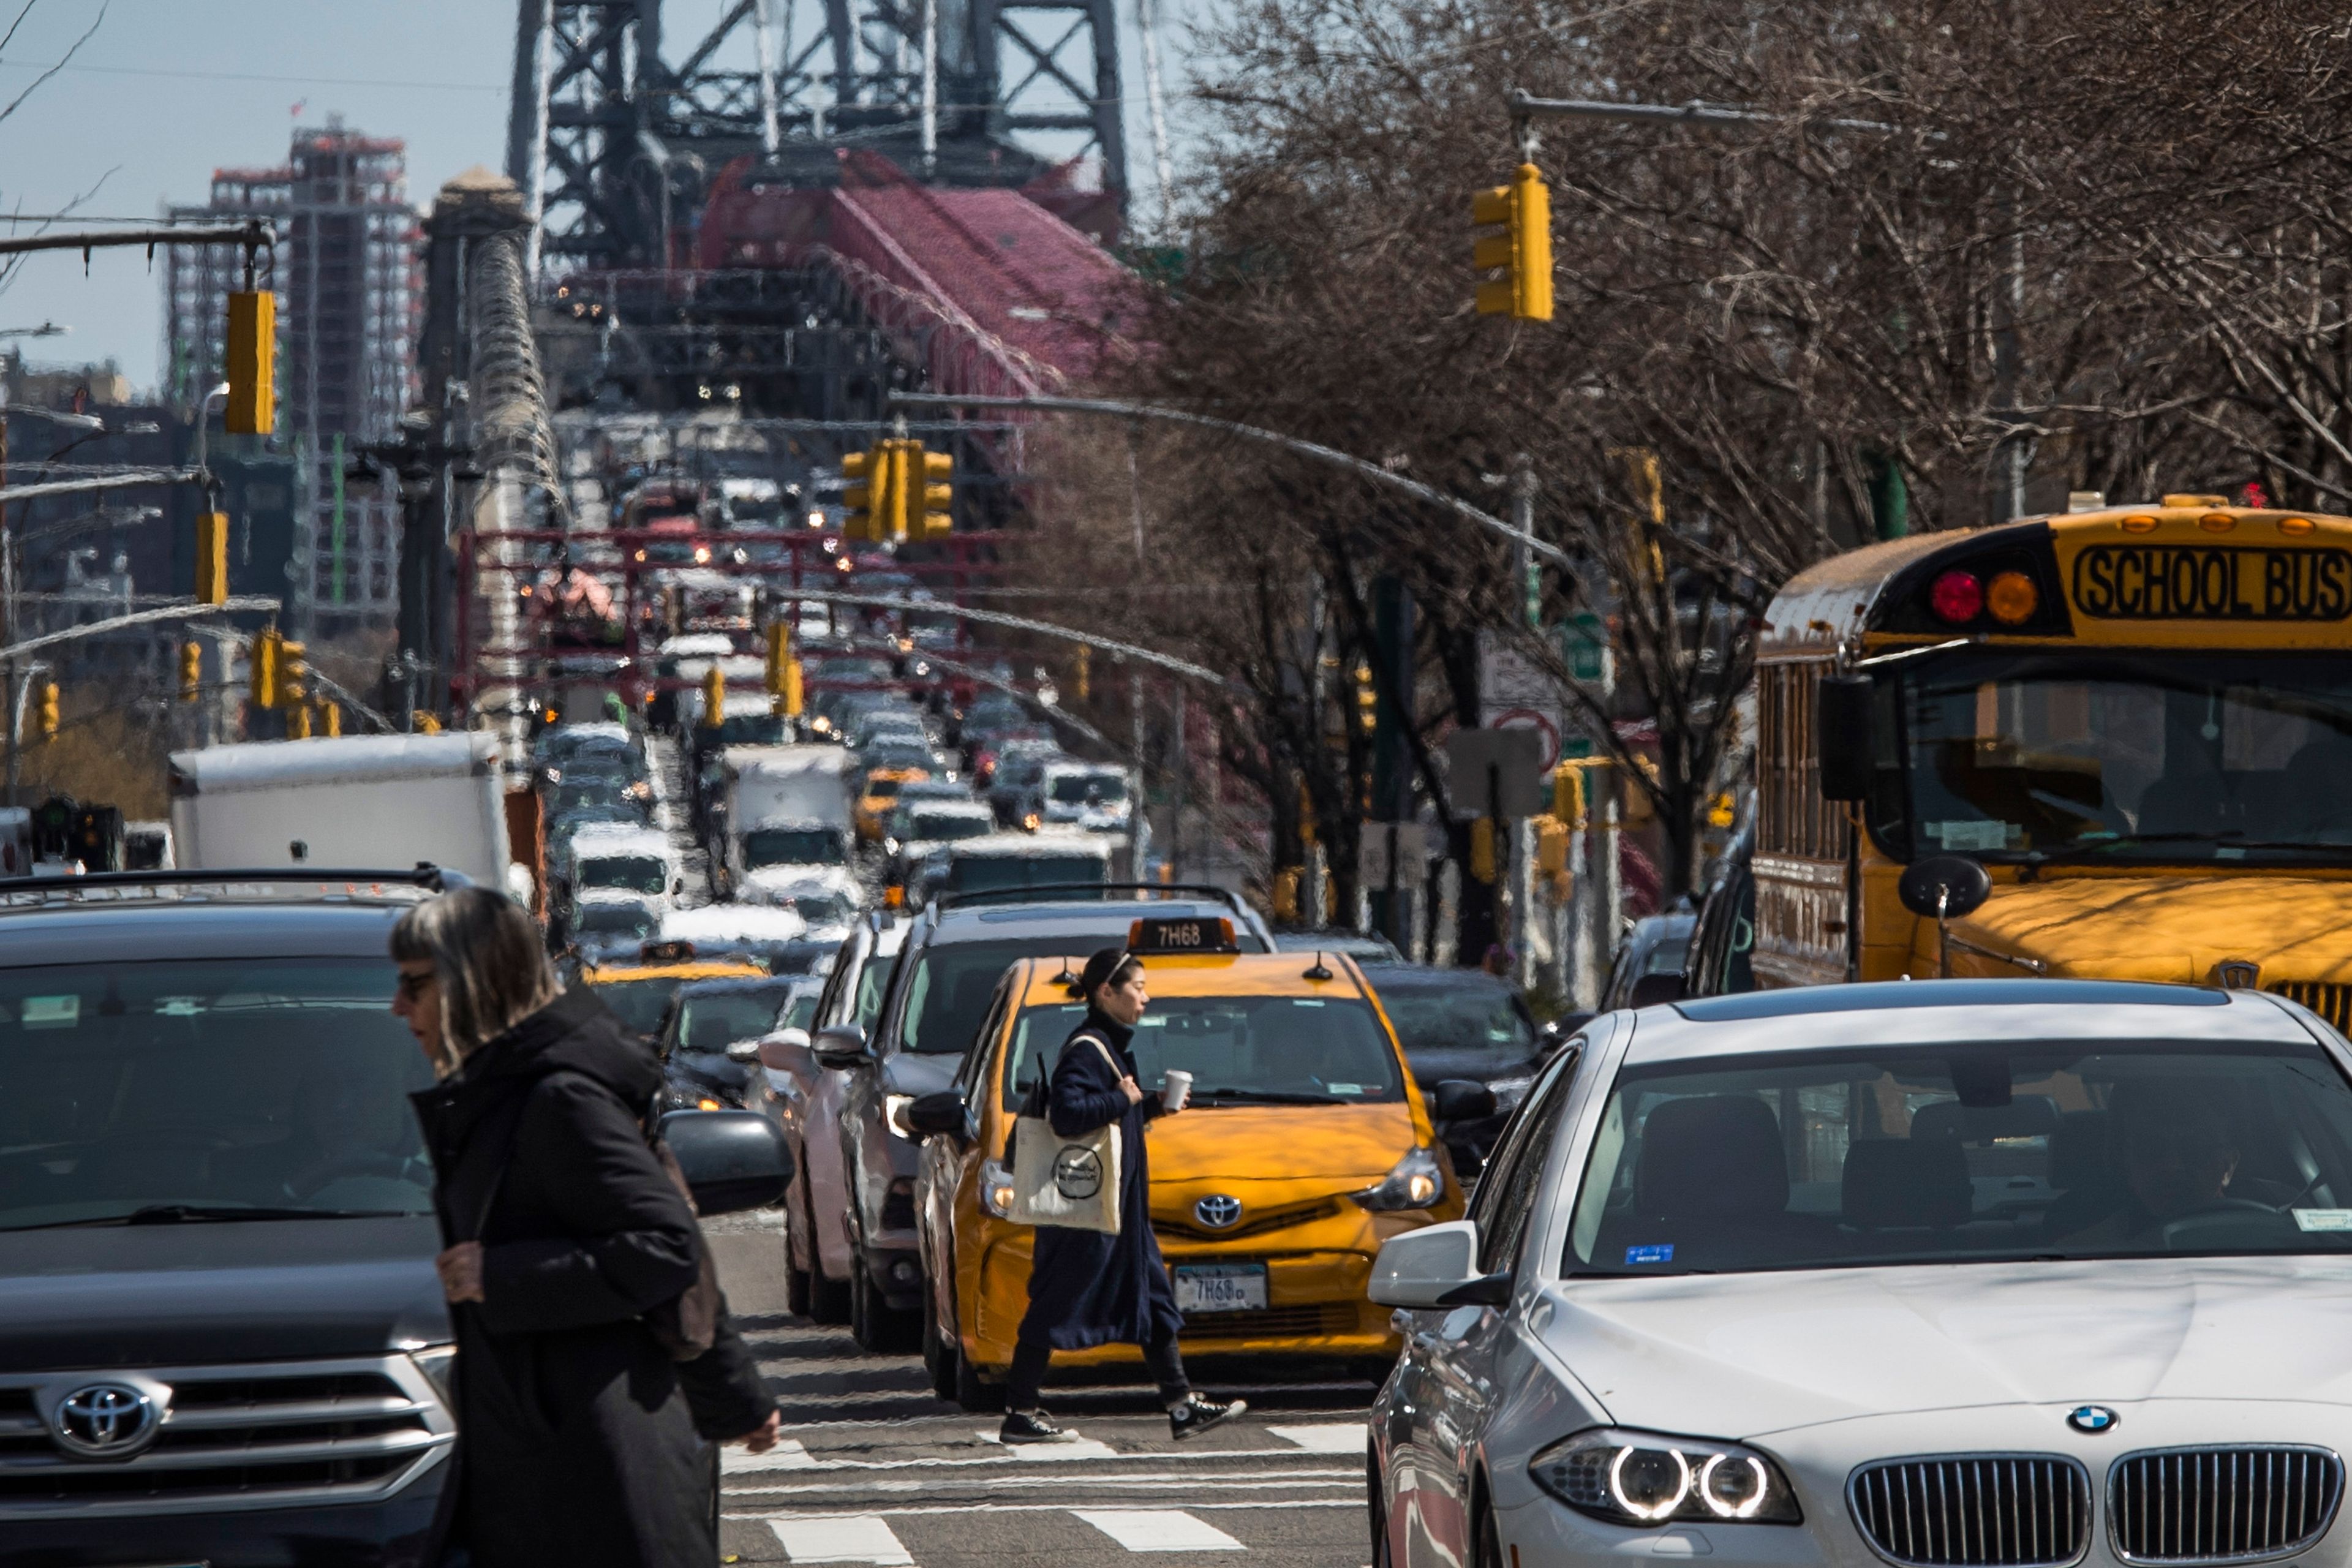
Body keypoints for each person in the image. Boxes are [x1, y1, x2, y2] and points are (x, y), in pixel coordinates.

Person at [393, 886, 780, 1568]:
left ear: (473, 984)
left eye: (416, 985)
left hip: (593, 1470)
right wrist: (735, 1398)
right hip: (545, 1460)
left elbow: (666, 1244)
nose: (400, 1007)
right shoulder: (508, 1092)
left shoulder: (556, 1099)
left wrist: (502, 1275)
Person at [1003, 944, 1245, 1444]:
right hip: (1089, 1215)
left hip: (1121, 1214)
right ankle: (1020, 1411)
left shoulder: (1105, 1047)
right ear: (1105, 992)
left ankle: (1181, 1405)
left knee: (1155, 1301)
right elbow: (1069, 1114)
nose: (1146, 998)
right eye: (1138, 988)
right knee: (1054, 1304)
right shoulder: (1087, 1048)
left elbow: (1111, 1117)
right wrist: (1124, 1098)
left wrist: (1151, 1107)